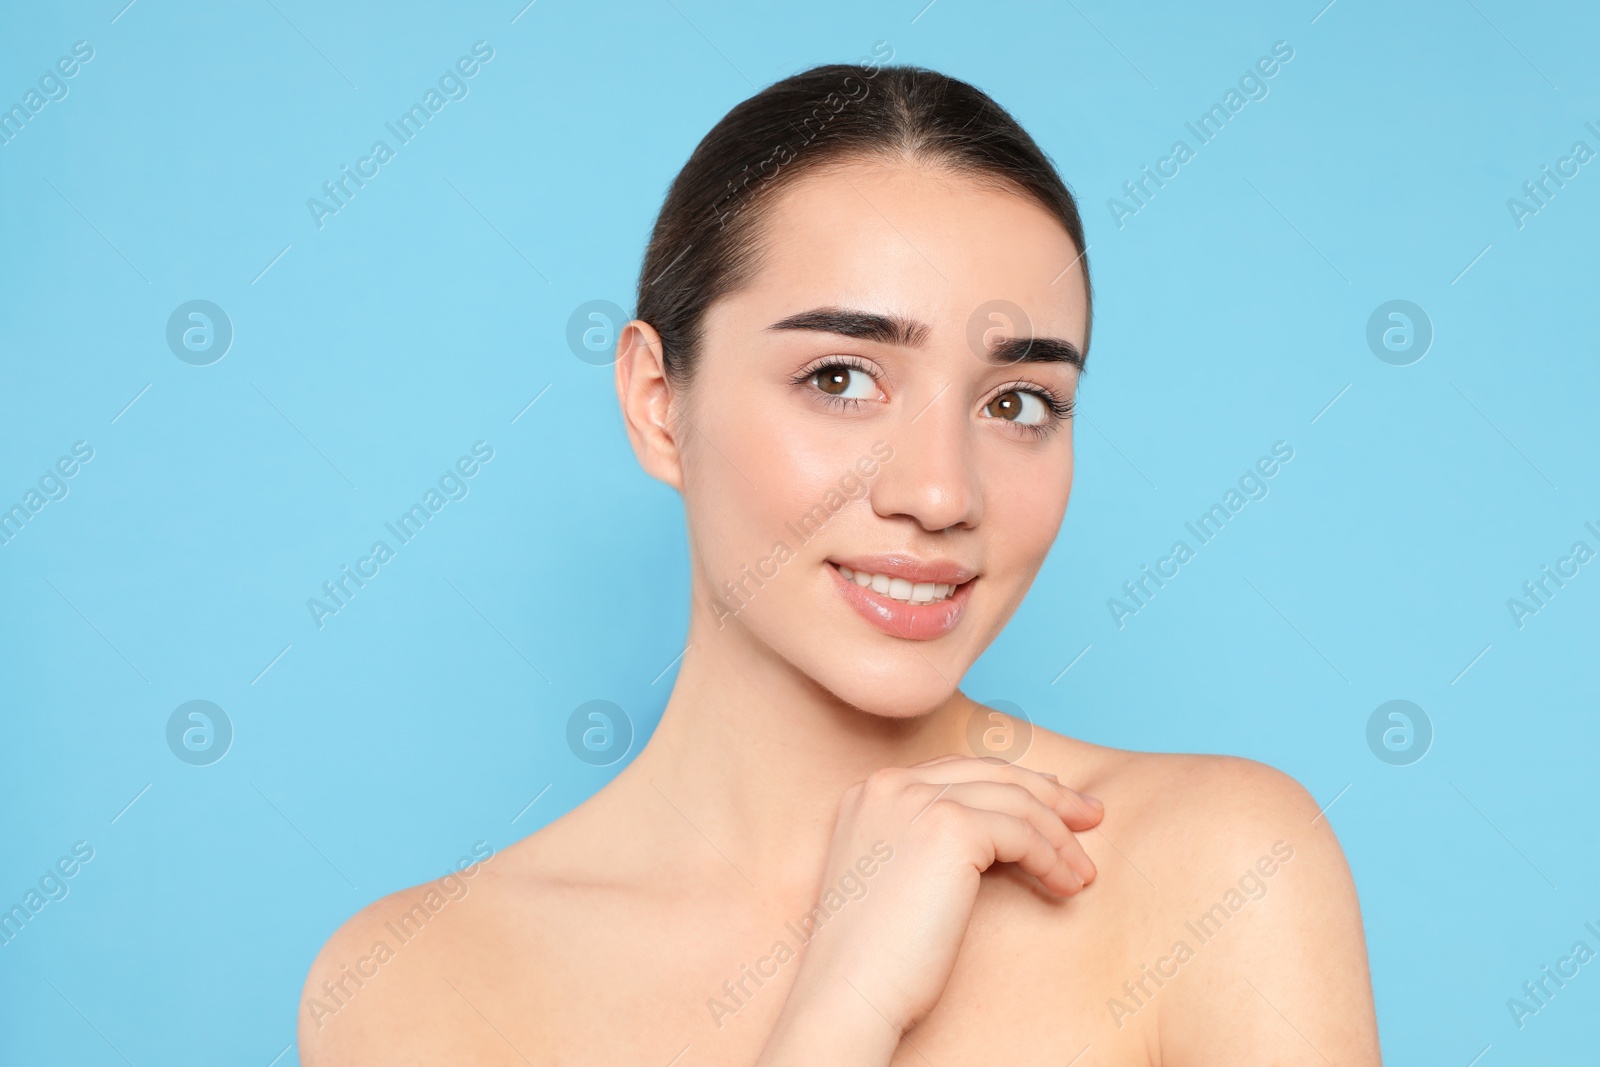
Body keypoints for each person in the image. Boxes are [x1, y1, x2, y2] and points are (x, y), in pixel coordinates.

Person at [300, 61, 1381, 1065]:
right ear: (656, 401)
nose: (942, 492)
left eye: (1018, 402)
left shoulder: (1217, 873)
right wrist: (838, 1013)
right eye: (840, 378)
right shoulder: (416, 981)